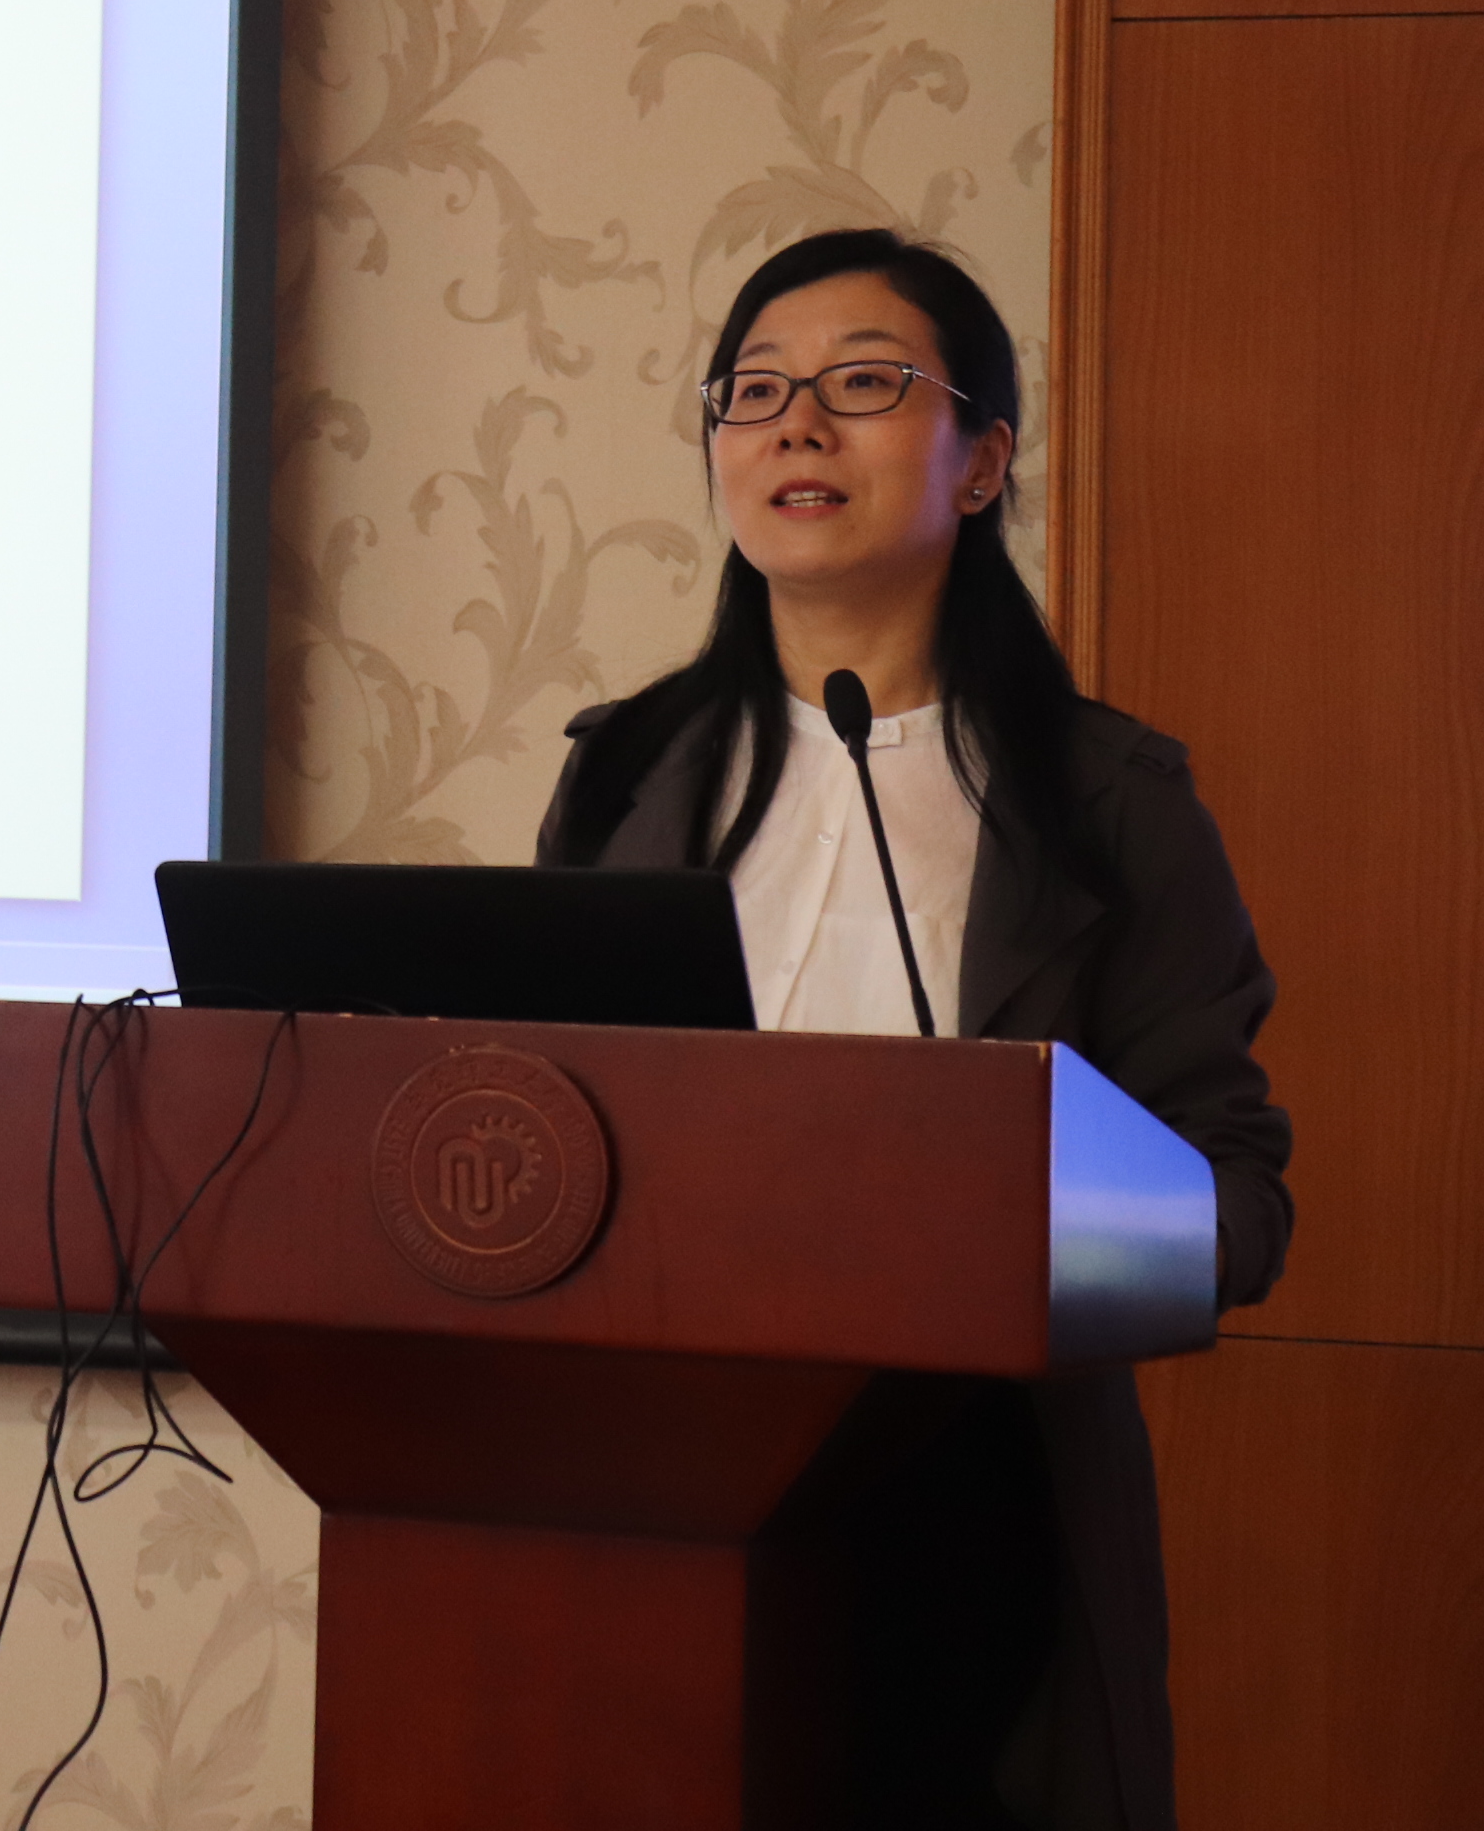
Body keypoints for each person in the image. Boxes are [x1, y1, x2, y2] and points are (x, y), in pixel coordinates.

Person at [536, 227, 1290, 1831]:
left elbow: (1233, 1207)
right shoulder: (624, 776)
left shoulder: (1111, 807)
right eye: (754, 391)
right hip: (652, 1486)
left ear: (981, 462)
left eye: (865, 384)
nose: (796, 425)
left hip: (972, 1506)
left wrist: (989, 1221)